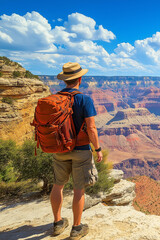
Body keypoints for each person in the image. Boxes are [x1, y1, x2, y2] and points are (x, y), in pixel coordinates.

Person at [50, 62, 102, 240]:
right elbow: (92, 127)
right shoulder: (84, 99)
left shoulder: (55, 98)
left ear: (65, 80)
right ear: (79, 79)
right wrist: (98, 148)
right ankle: (77, 228)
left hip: (59, 150)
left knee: (58, 185)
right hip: (80, 150)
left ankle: (57, 223)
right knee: (79, 189)